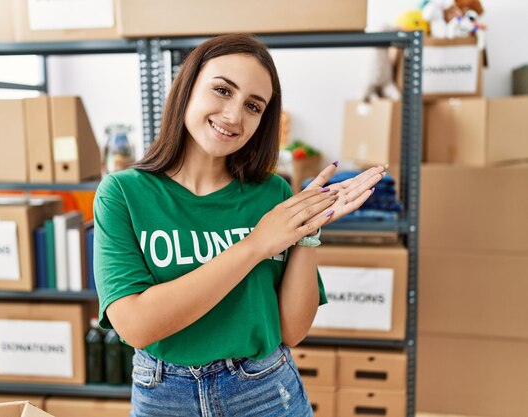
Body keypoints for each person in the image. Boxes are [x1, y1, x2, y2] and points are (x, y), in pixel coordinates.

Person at [94, 33, 387, 417]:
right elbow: (136, 325)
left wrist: (306, 231)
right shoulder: (123, 193)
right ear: (187, 89)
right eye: (221, 90)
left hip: (264, 390)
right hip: (164, 396)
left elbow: (292, 331)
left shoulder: (273, 195)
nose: (234, 115)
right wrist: (256, 245)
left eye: (253, 106)